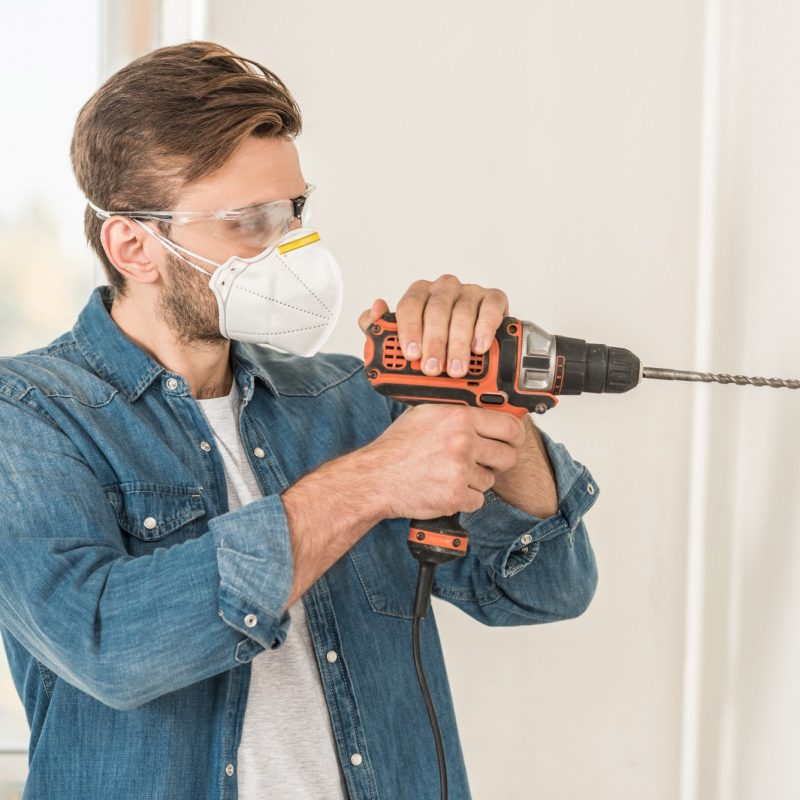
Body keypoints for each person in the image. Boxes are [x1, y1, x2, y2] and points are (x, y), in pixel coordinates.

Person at [0, 41, 599, 800]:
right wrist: (370, 482)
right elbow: (111, 644)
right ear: (133, 245)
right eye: (248, 222)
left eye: (293, 211)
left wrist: (494, 409)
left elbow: (547, 590)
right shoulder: (29, 415)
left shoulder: (350, 399)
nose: (288, 247)